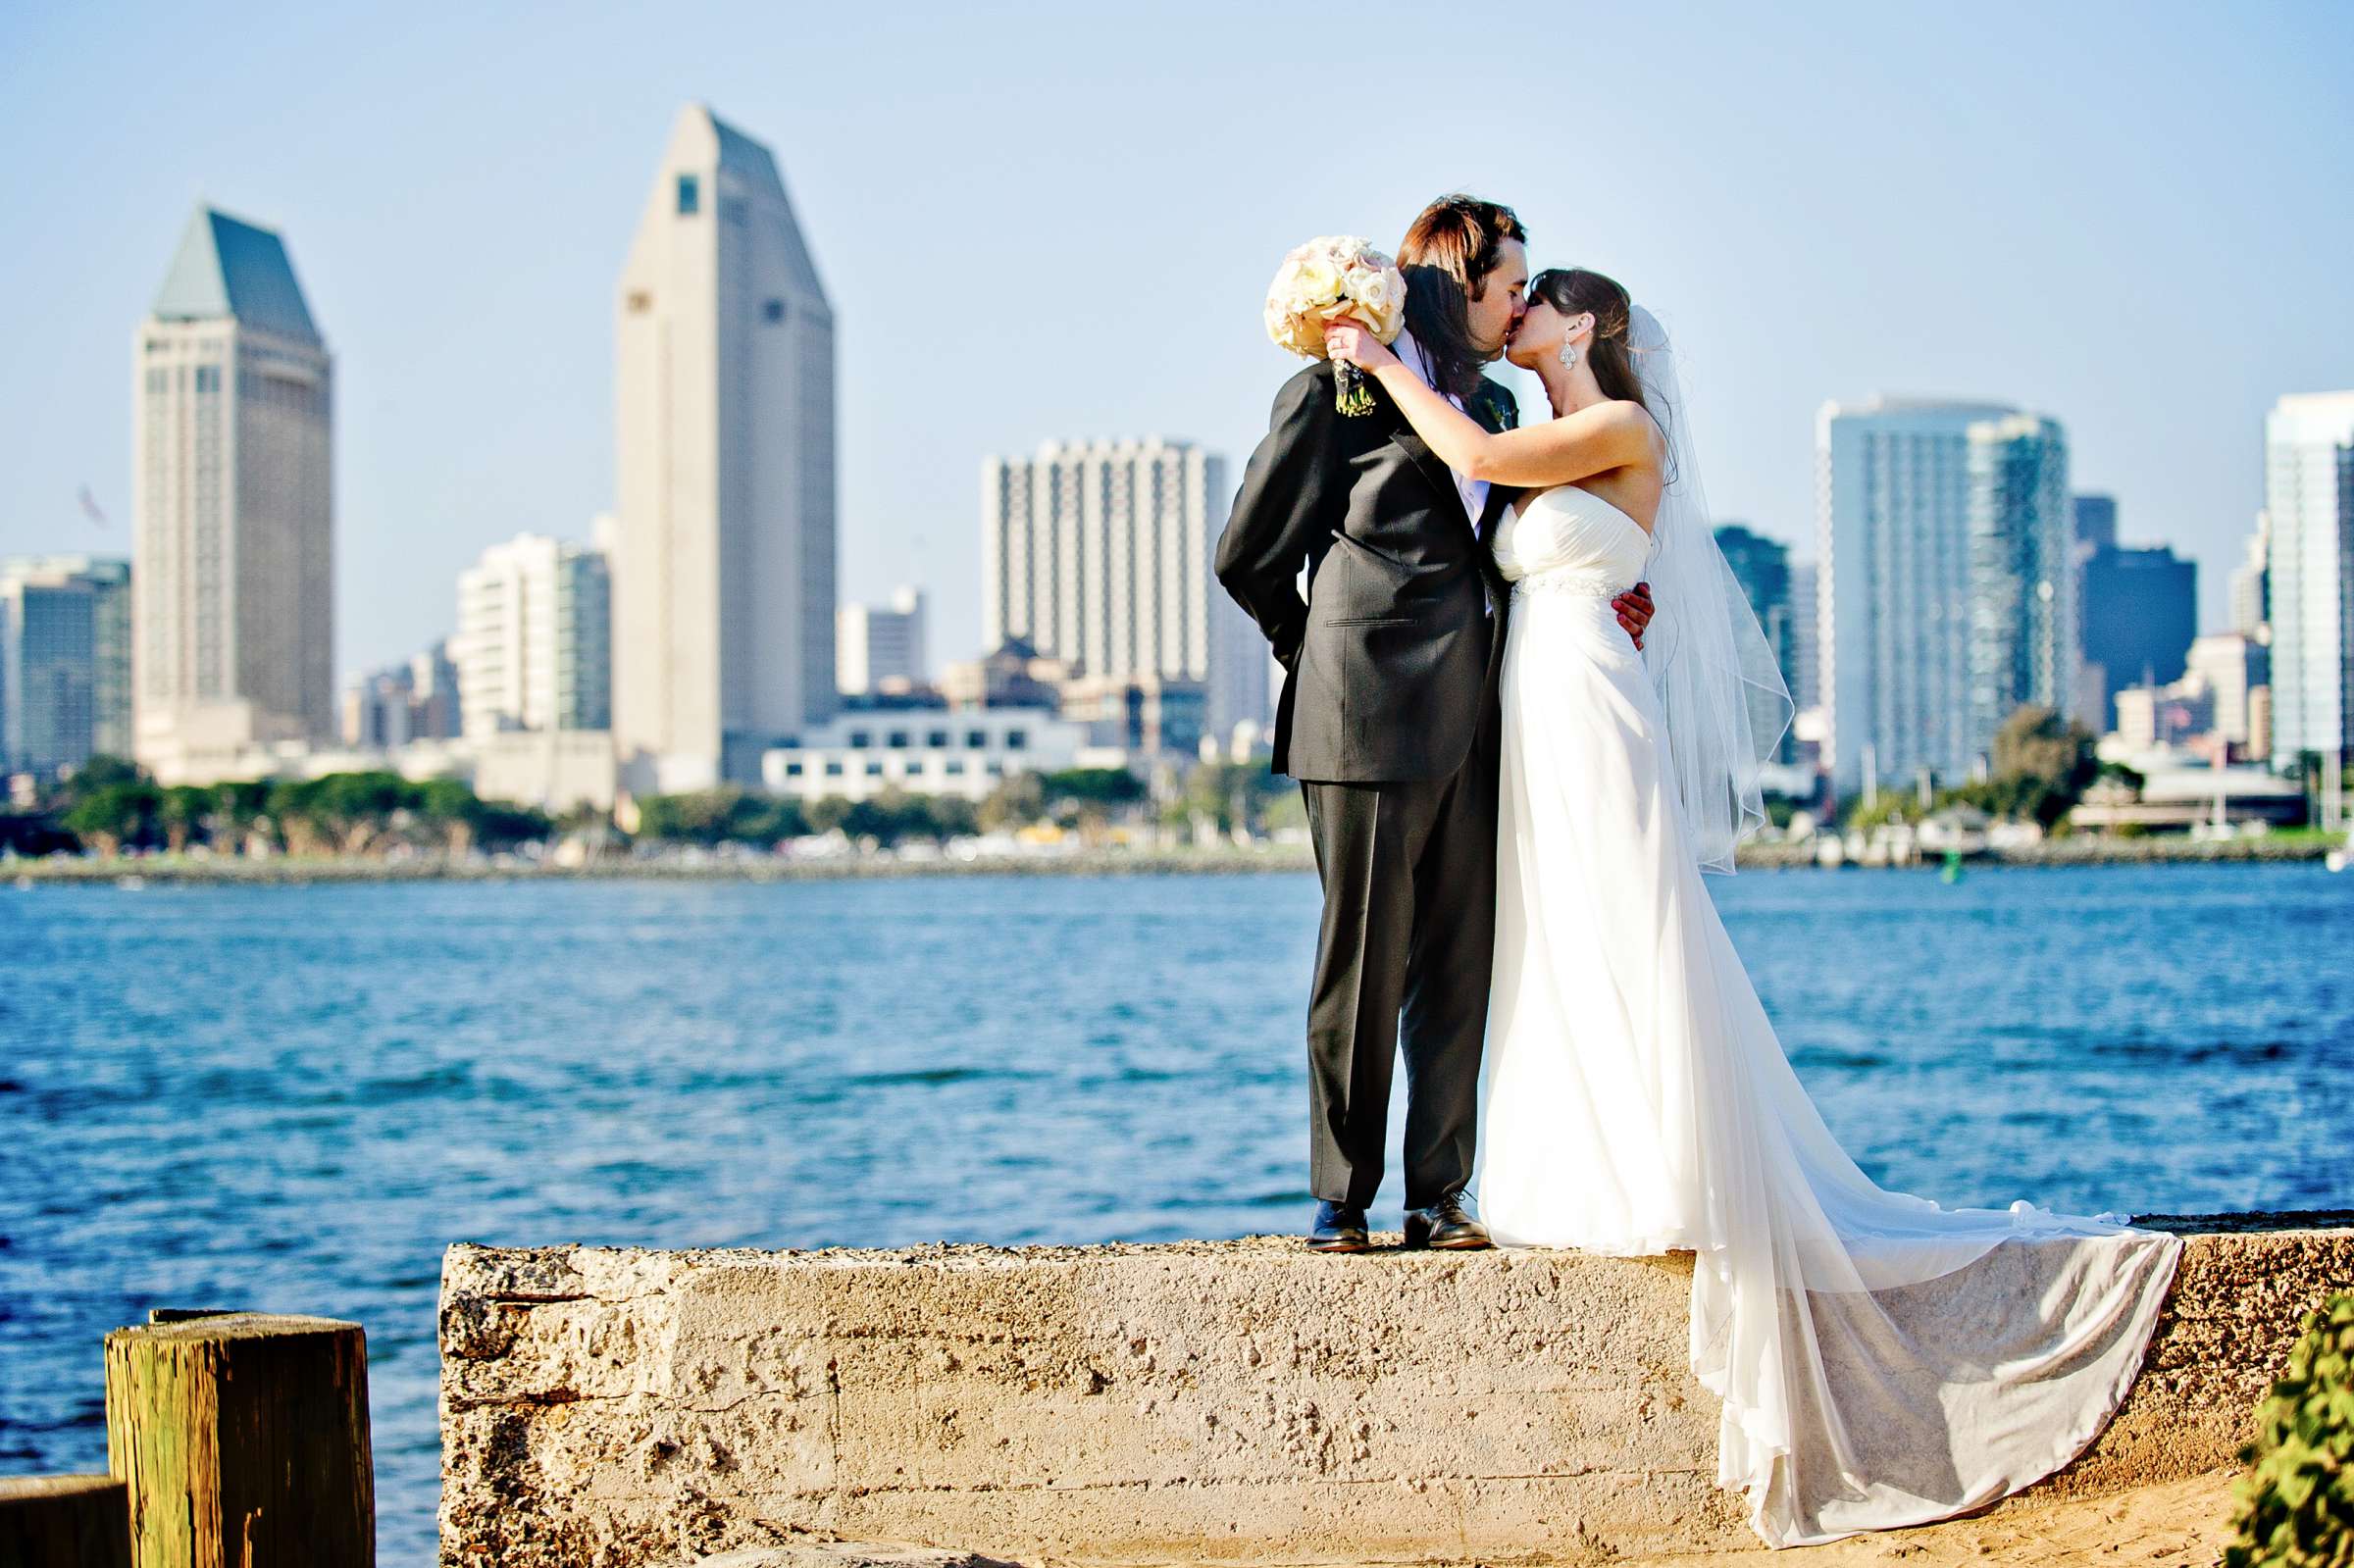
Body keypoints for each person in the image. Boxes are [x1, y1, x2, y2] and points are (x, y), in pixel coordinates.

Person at [1321, 269, 2181, 1546]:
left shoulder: (1621, 427)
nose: (1525, 307)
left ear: (1585, 327)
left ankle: (1677, 1166)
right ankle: (1584, 1166)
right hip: (1535, 700)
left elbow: (1492, 452)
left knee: (1634, 918)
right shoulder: (1546, 422)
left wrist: (1386, 360)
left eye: (1542, 297)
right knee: (1555, 938)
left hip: (1592, 698)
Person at [1214, 196, 1654, 1254]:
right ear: (1460, 280)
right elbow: (1247, 554)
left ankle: (1440, 1195)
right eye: (1509, 286)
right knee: (1364, 961)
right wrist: (1314, 652)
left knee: (1461, 963)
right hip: (1359, 711)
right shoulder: (1335, 391)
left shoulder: (1500, 412)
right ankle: (1341, 1199)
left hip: (1485, 715)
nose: (1518, 307)